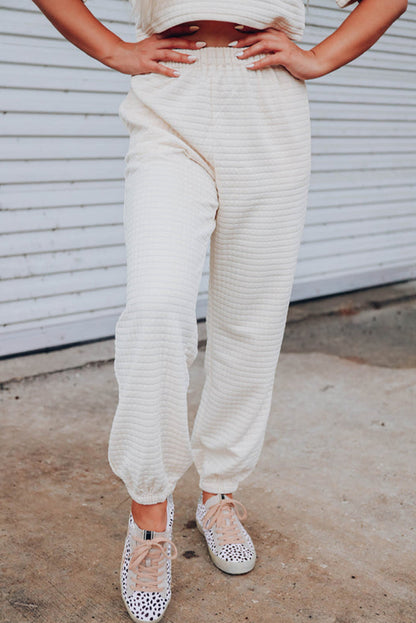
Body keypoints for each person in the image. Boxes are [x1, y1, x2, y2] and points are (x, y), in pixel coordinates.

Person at [33, 1, 408, 621]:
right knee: (156, 307)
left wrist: (321, 58)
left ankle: (219, 495)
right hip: (170, 97)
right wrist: (112, 50)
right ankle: (149, 517)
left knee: (250, 320)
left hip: (268, 104)